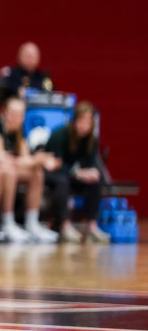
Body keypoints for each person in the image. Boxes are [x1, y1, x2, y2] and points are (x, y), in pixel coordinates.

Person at [0, 97, 59, 243]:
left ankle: (32, 222)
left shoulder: (19, 131)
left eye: (19, 114)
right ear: (4, 113)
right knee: (10, 171)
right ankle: (7, 221)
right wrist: (33, 160)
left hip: (9, 168)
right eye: (12, 113)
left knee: (36, 172)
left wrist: (38, 160)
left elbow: (26, 158)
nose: (15, 117)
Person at [41, 101, 110, 243]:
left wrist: (93, 172)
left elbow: (91, 163)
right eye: (81, 121)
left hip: (71, 174)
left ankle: (91, 226)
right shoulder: (60, 134)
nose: (84, 125)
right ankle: (65, 225)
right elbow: (56, 163)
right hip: (52, 173)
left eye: (88, 122)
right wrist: (77, 173)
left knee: (96, 181)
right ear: (74, 120)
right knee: (62, 181)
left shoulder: (91, 140)